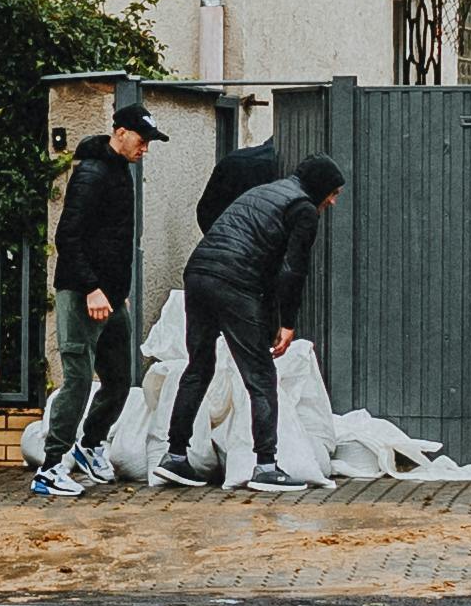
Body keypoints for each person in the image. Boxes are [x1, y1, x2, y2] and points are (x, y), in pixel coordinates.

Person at [161, 153, 345, 493]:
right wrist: (287, 323)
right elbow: (292, 270)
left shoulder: (264, 192)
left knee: (199, 367)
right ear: (320, 187)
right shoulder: (303, 208)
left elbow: (266, 264)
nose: (332, 202)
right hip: (233, 281)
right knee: (261, 376)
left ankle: (174, 456)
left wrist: (271, 318)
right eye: (333, 193)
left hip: (198, 272)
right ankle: (266, 466)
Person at [36, 101, 156, 496]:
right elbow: (68, 237)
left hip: (111, 297)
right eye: (141, 140)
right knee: (78, 379)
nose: (145, 148)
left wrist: (117, 293)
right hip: (82, 293)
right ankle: (50, 467)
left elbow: (114, 241)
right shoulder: (91, 173)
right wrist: (91, 288)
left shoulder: (120, 171)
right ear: (120, 132)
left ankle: (90, 444)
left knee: (119, 378)